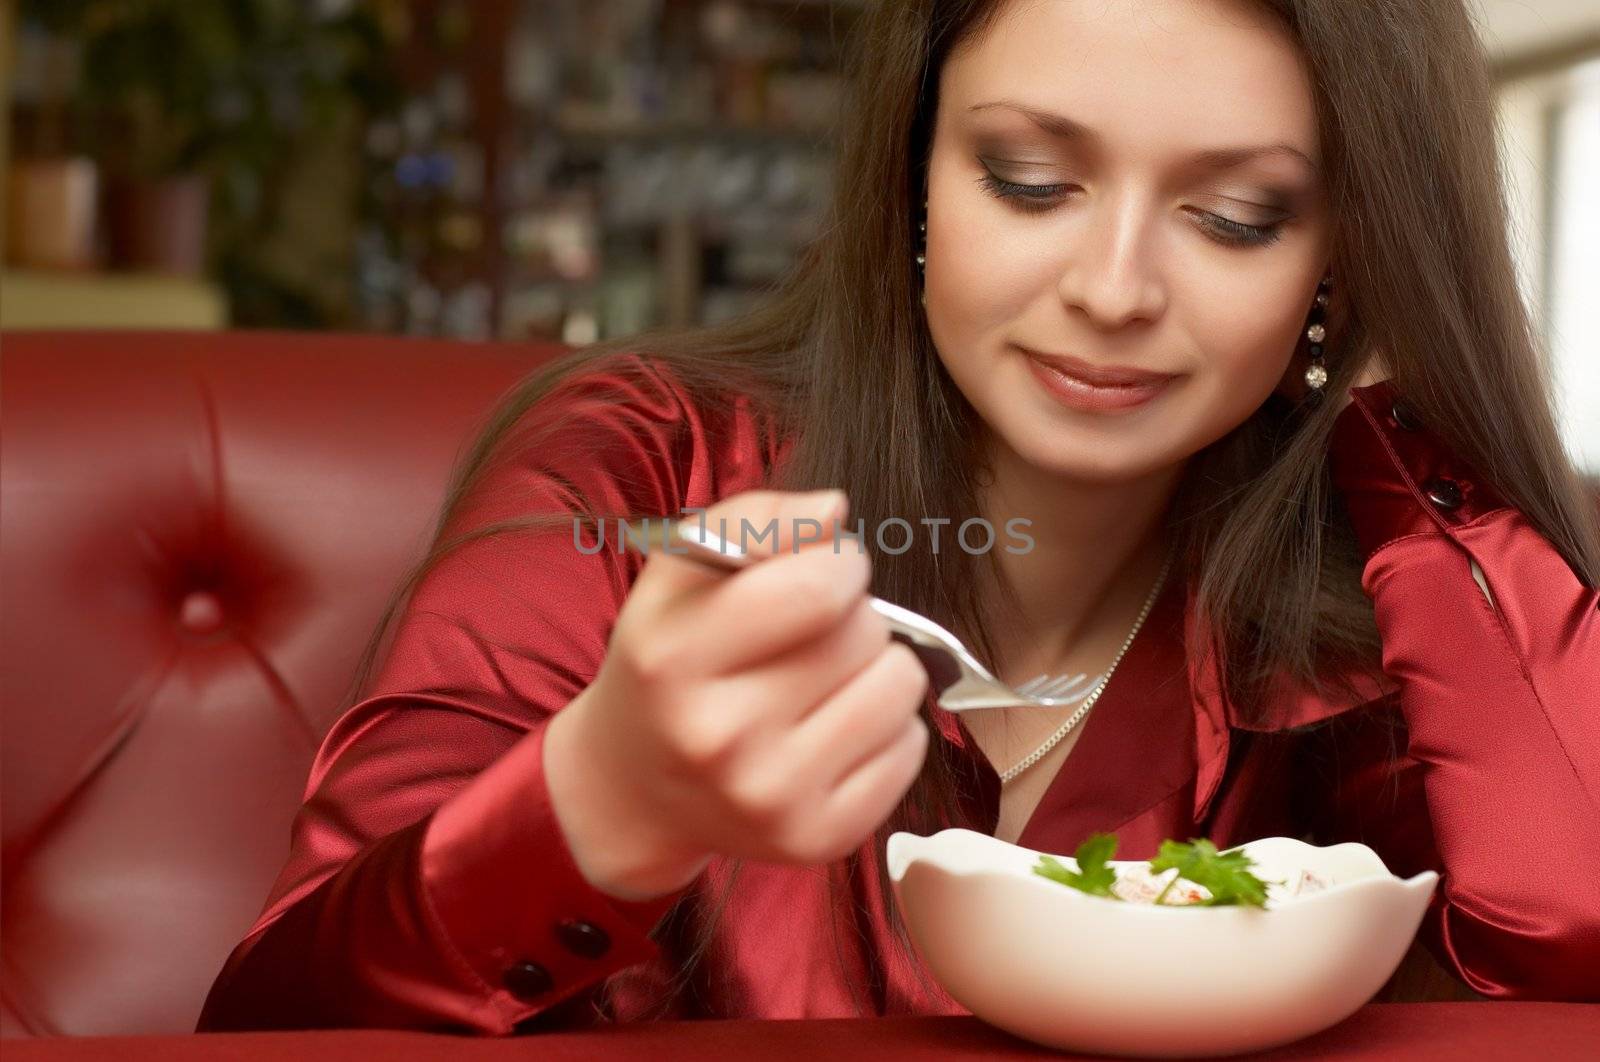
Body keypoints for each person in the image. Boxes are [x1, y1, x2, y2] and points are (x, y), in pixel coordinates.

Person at [198, 0, 1600, 1033]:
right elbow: (271, 1016)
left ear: (1342, 258)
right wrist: (602, 806)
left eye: (1236, 216)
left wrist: (1416, 452)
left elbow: (1567, 938)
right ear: (915, 179)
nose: (1113, 286)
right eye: (1030, 181)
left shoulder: (1372, 604)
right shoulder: (644, 467)